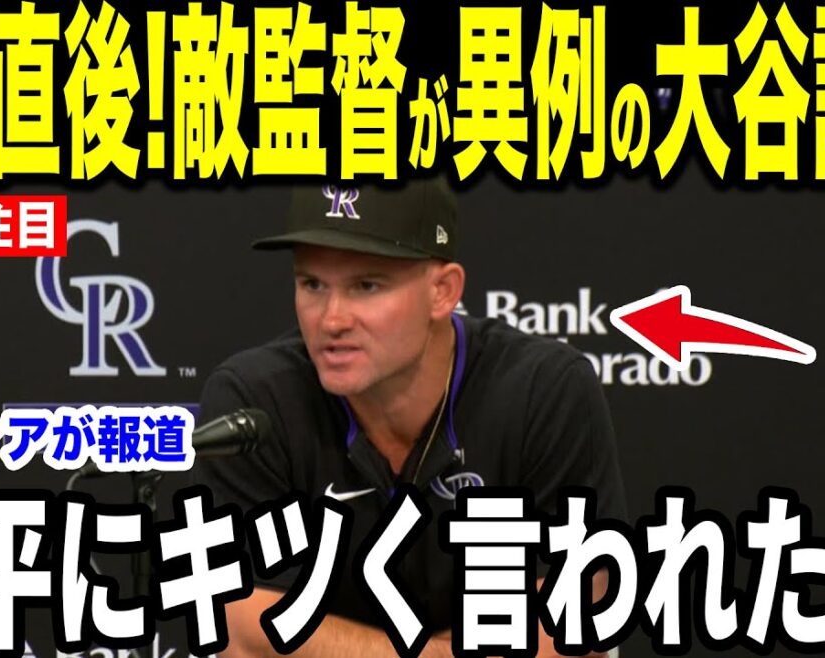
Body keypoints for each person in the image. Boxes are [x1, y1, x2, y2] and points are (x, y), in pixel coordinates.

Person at [193, 179, 627, 657]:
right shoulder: (254, 402)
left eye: (366, 286)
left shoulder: (543, 391)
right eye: (312, 284)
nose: (331, 319)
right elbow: (242, 633)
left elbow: (573, 628)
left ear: (443, 291)